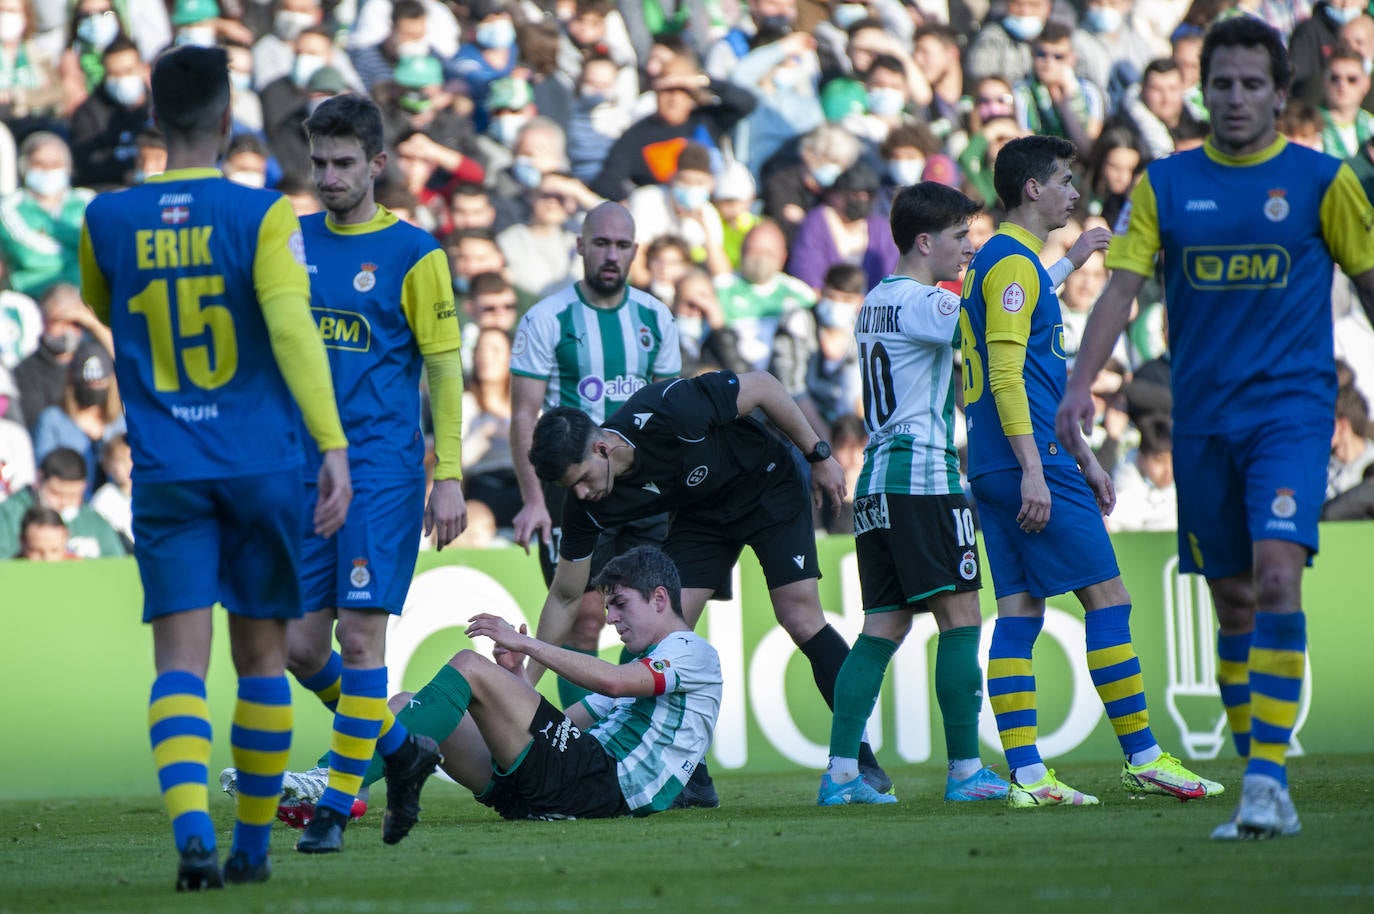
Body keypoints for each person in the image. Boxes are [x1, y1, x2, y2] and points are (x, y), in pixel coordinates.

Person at [1059, 16, 1374, 840]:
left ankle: (1267, 782)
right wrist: (1078, 385)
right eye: (1221, 84)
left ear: (1279, 92)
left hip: (1292, 414)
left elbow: (1372, 284)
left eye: (1250, 84)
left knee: (1276, 577)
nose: (1235, 98)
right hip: (1201, 423)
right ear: (1204, 94)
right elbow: (1121, 292)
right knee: (1233, 602)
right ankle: (1257, 766)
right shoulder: (1164, 186)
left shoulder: (1321, 180)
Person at [78, 45, 352, 889]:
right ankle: (254, 848)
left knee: (179, 664)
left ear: (153, 119)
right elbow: (293, 330)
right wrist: (332, 444)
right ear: (229, 118)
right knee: (262, 661)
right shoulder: (263, 214)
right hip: (261, 462)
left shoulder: (107, 220)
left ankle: (192, 833)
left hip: (167, 465)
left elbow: (103, 304)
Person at [958, 134, 1221, 810]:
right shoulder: (1013, 265)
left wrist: (1078, 456)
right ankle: (1143, 756)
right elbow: (1013, 378)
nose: (1075, 192)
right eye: (1065, 181)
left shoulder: (999, 261)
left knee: (1018, 613)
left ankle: (1028, 775)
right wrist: (1039, 471)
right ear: (1032, 190)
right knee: (1109, 600)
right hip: (1025, 460)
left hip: (990, 461)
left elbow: (1025, 345)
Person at [528, 368, 893, 795]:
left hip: (767, 484)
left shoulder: (668, 408)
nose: (583, 494)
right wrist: (525, 677)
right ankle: (692, 779)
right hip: (703, 516)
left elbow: (764, 387)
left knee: (799, 615)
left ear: (602, 446)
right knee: (654, 636)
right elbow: (566, 594)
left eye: (584, 479)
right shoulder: (583, 506)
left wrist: (818, 455)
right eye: (572, 488)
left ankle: (858, 759)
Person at [281, 92, 468, 855]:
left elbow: (445, 368)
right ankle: (397, 749)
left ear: (377, 165)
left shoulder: (415, 254)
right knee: (298, 646)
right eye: (319, 162)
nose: (328, 177)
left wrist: (447, 471)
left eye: (343, 163)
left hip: (384, 470)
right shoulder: (288, 244)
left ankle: (335, 807)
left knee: (361, 641)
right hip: (300, 469)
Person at [226, 545, 722, 821]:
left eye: (621, 604)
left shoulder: (690, 651)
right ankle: (316, 792)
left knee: (466, 663)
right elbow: (564, 725)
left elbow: (615, 684)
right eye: (609, 606)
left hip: (606, 788)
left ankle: (331, 784)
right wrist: (510, 682)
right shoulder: (647, 661)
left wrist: (526, 646)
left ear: (660, 599)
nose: (612, 619)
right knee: (405, 703)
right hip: (560, 784)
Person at [819, 182, 1009, 806]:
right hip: (922, 475)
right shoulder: (925, 304)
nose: (968, 250)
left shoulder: (875, 299)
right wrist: (1060, 263)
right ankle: (964, 771)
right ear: (924, 241)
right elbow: (995, 317)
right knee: (961, 620)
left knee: (882, 627)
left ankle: (842, 773)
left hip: (876, 480)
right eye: (960, 238)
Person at [509, 201, 680, 712]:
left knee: (655, 619)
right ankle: (584, 746)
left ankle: (662, 747)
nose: (611, 254)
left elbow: (673, 413)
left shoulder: (655, 316)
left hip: (644, 492)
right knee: (584, 617)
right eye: (600, 243)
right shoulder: (547, 318)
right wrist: (534, 500)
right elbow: (524, 417)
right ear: (579, 245)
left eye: (622, 245)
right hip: (579, 492)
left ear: (634, 251)